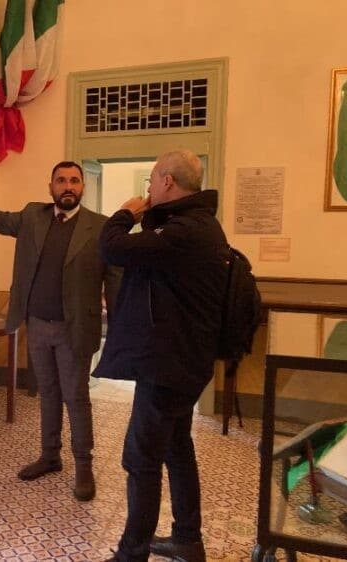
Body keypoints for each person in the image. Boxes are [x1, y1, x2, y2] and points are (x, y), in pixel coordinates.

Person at [0, 161, 121, 501]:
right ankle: (50, 456)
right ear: (50, 187)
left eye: (74, 181)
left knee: (76, 398)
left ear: (83, 187)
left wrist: (119, 327)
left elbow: (115, 279)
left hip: (75, 330)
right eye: (61, 180)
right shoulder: (33, 216)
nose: (68, 186)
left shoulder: (101, 227)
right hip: (37, 325)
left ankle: (83, 466)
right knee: (47, 392)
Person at [94, 150, 229, 562]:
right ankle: (187, 539)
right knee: (176, 448)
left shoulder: (185, 231)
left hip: (169, 367)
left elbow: (113, 247)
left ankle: (132, 553)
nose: (149, 189)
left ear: (167, 181)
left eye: (152, 180)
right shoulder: (198, 224)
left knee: (141, 458)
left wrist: (125, 213)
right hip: (183, 361)